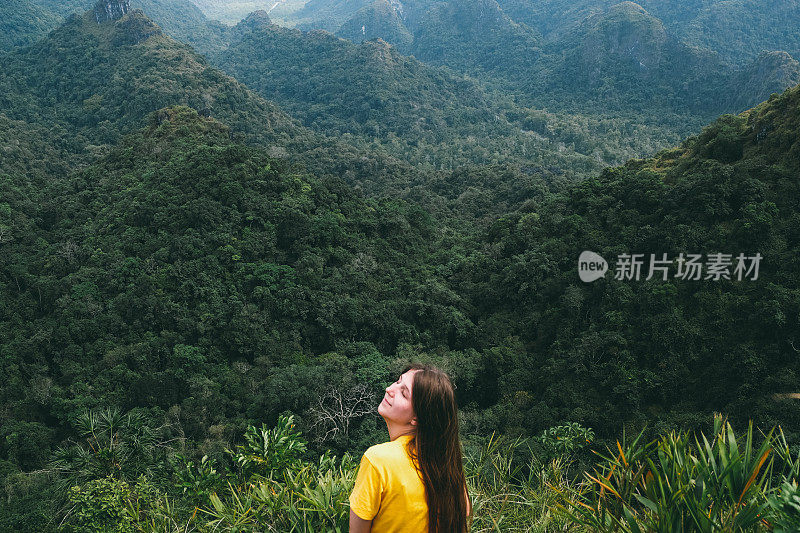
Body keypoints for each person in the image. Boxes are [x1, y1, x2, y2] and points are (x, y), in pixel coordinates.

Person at [349, 364, 470, 533]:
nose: (390, 389)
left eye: (403, 393)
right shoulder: (449, 469)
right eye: (397, 382)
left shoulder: (378, 460)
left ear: (417, 418)